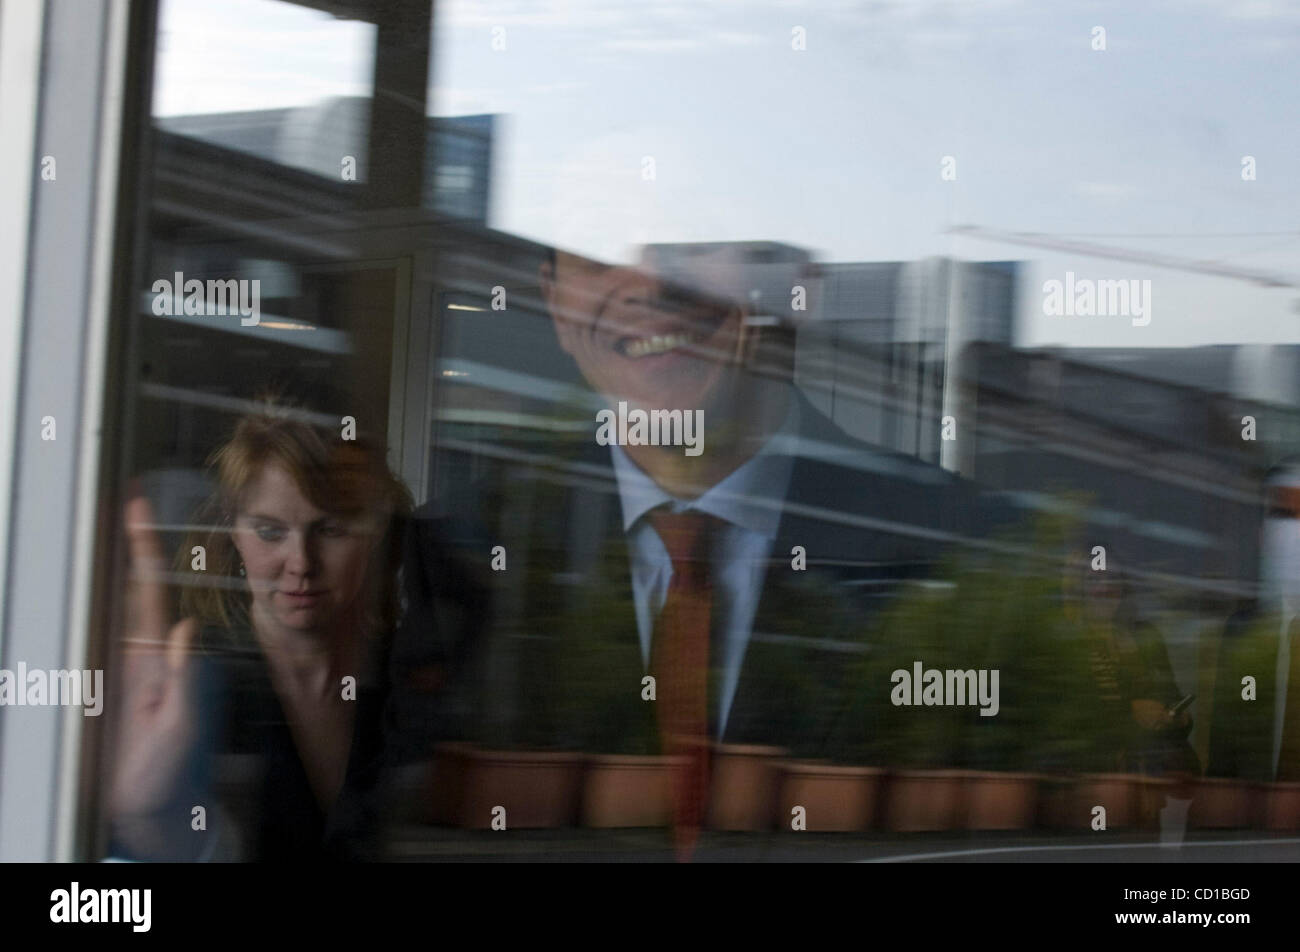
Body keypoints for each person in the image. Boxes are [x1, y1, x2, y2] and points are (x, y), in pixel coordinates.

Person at [403, 243, 979, 854]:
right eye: (599, 248)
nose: (651, 281)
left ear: (796, 288)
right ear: (555, 302)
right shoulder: (452, 546)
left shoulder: (958, 548)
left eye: (697, 241)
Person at [108, 392, 412, 861]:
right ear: (234, 532)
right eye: (270, 531)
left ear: (374, 534)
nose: (301, 564)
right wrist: (144, 820)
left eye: (330, 530)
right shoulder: (196, 682)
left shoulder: (406, 679)